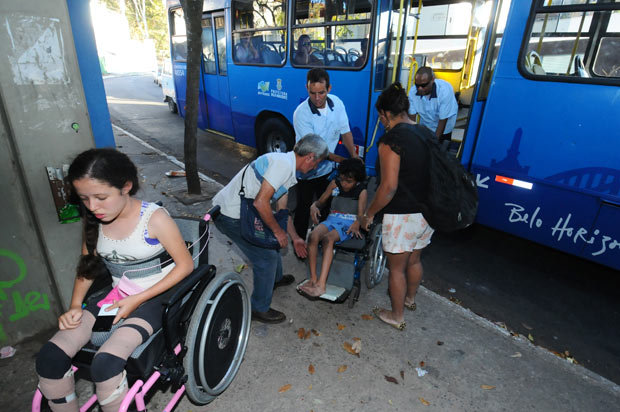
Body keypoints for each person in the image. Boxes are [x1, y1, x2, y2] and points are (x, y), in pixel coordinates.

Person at [35, 148, 194, 412]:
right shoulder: (96, 220)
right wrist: (75, 306)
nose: (92, 207)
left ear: (126, 187)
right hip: (118, 294)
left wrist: (138, 299)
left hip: (156, 298)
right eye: (84, 199)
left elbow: (186, 265)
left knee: (105, 364)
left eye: (101, 197)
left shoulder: (154, 219)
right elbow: (88, 268)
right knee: (50, 357)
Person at [212, 134, 329, 324]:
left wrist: (295, 238)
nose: (315, 168)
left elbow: (281, 213)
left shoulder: (289, 169)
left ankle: (275, 279)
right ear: (310, 157)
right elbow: (260, 202)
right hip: (228, 215)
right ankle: (259, 308)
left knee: (274, 241)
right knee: (265, 258)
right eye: (317, 163)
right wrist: (278, 232)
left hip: (244, 212)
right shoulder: (282, 165)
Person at [362, 83, 434, 331]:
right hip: (427, 213)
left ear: (385, 114)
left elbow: (388, 188)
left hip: (403, 215)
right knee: (414, 260)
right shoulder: (425, 132)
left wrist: (369, 213)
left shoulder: (391, 141)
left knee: (396, 269)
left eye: (380, 117)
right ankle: (410, 300)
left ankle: (396, 315)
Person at [292, 68, 361, 258]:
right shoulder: (301, 114)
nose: (317, 98)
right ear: (306, 88)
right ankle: (300, 246)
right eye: (312, 93)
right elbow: (315, 150)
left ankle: (322, 244)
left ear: (329, 88)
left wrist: (353, 156)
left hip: (326, 170)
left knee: (326, 207)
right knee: (304, 209)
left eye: (321, 92)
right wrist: (342, 160)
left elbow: (345, 132)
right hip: (306, 171)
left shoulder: (337, 104)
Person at [301, 158, 367, 297]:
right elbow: (321, 202)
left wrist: (357, 222)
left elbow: (361, 215)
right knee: (313, 236)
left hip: (349, 222)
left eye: (349, 181)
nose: (344, 184)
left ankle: (321, 285)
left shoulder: (361, 191)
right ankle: (313, 279)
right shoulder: (334, 184)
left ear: (357, 180)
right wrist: (314, 206)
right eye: (342, 179)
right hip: (332, 219)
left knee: (328, 239)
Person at [407, 66, 458, 149]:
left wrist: (434, 143)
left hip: (444, 128)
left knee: (440, 153)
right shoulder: (413, 92)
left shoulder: (445, 90)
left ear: (433, 80)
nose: (419, 88)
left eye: (424, 85)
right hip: (426, 125)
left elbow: (442, 120)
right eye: (417, 85)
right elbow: (412, 118)